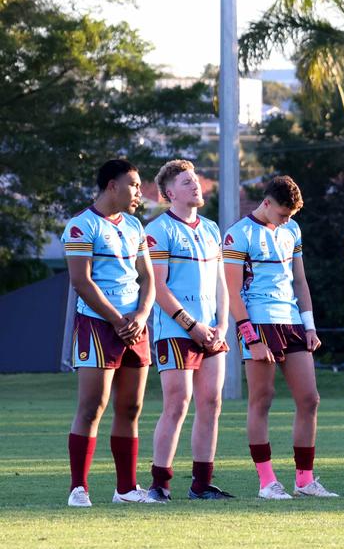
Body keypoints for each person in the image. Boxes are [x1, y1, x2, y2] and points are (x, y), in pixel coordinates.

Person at [223, 175, 336, 499]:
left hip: (292, 322)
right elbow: (232, 291)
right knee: (263, 399)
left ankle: (304, 480)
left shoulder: (292, 230)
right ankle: (267, 482)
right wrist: (250, 336)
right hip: (258, 321)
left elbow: (299, 281)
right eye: (283, 214)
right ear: (267, 203)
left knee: (309, 399)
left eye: (291, 216)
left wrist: (309, 325)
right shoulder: (238, 234)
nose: (286, 221)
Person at [64, 159, 156, 506]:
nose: (139, 191)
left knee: (130, 407)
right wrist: (118, 319)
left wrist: (141, 314)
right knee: (92, 406)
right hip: (98, 325)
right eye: (133, 184)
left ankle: (127, 490)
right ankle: (78, 488)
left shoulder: (134, 226)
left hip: (135, 325)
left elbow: (147, 278)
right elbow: (81, 281)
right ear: (112, 186)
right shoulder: (80, 226)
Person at [145, 160, 232, 502]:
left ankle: (201, 484)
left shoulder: (211, 229)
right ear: (169, 193)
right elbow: (158, 287)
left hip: (212, 330)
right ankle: (159, 486)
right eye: (186, 182)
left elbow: (222, 282)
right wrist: (190, 324)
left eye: (195, 180)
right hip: (176, 330)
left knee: (211, 402)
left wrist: (222, 323)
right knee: (177, 404)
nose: (196, 185)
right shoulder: (158, 230)